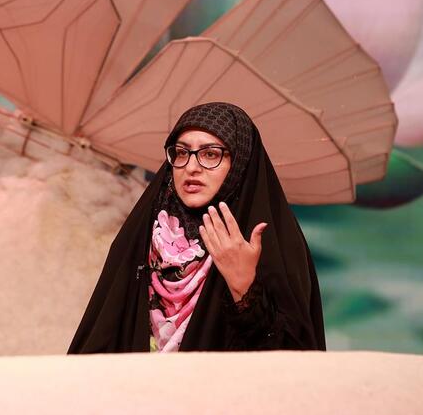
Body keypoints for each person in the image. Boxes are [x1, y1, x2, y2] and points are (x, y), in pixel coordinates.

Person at [67, 102, 326, 353]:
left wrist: (245, 289)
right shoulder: (143, 232)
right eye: (181, 153)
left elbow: (293, 361)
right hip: (137, 383)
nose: (191, 167)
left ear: (239, 163)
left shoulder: (269, 242)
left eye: (210, 154)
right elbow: (99, 340)